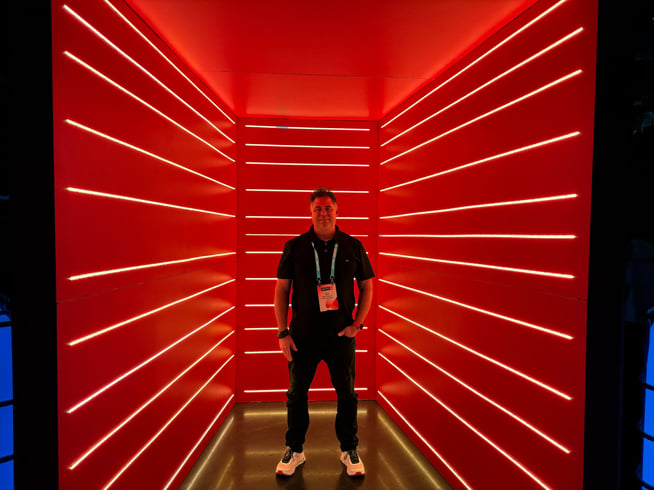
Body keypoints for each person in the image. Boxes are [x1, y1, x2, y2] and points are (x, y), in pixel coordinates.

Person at [274, 187, 374, 478]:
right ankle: (295, 449)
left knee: (346, 394)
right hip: (301, 337)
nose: (323, 213)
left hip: (340, 336)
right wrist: (282, 332)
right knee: (296, 395)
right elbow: (281, 289)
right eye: (318, 208)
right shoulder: (295, 246)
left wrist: (357, 324)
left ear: (337, 210)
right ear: (310, 212)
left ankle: (349, 448)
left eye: (328, 208)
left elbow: (367, 286)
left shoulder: (353, 246)